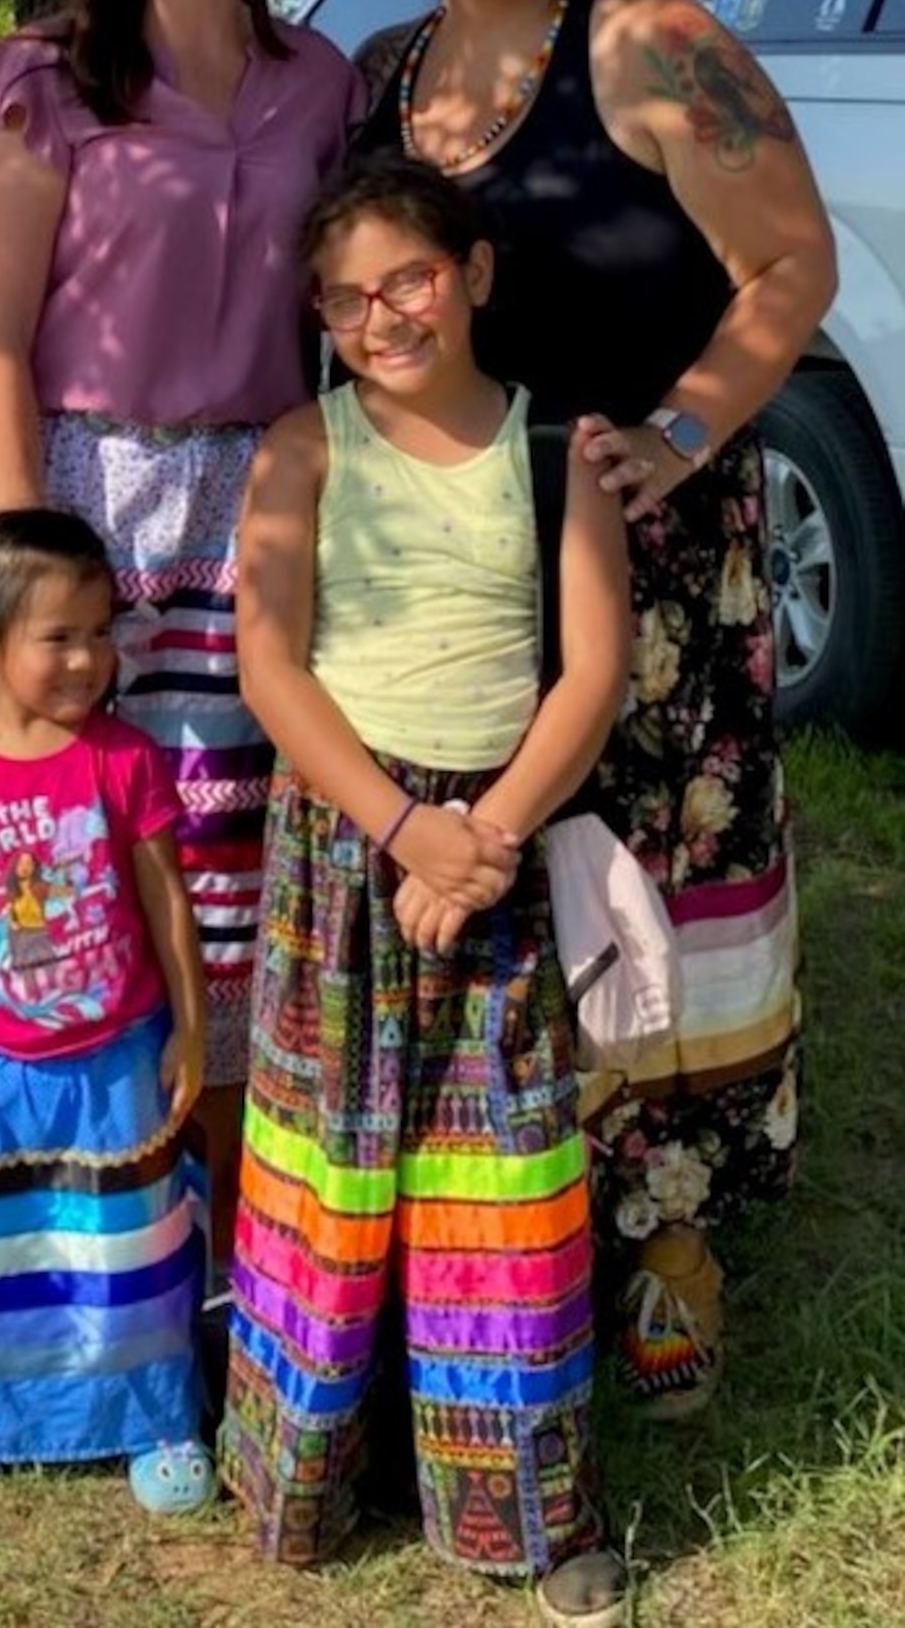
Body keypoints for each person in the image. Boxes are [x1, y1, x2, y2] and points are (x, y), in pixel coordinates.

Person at [356, 0, 837, 1413]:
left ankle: (671, 1240)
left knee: (654, 887)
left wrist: (689, 428)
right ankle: (498, 1207)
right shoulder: (378, 75)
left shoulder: (654, 47)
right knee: (486, 871)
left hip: (647, 549)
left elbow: (791, 263)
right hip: (446, 568)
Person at [0, 0, 361, 1267]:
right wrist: (23, 564)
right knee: (80, 827)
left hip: (255, 492)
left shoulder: (318, 79)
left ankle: (230, 1179)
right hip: (87, 488)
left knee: (228, 846)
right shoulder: (40, 78)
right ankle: (78, 1174)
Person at [222, 154, 632, 1626]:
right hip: (344, 851)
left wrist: (484, 837)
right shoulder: (302, 448)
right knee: (330, 1168)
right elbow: (268, 661)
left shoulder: (550, 456)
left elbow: (591, 669)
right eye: (342, 298)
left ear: (471, 273)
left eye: (404, 278)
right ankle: (304, 1475)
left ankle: (518, 1506)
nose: (378, 314)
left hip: (498, 857)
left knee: (499, 1181)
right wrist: (401, 829)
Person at [0, 510, 213, 1514]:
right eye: (58, 636)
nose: (88, 657)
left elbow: (167, 906)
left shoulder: (128, 759)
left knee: (125, 1249)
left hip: (116, 1059)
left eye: (100, 631)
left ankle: (152, 1411)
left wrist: (191, 1027)